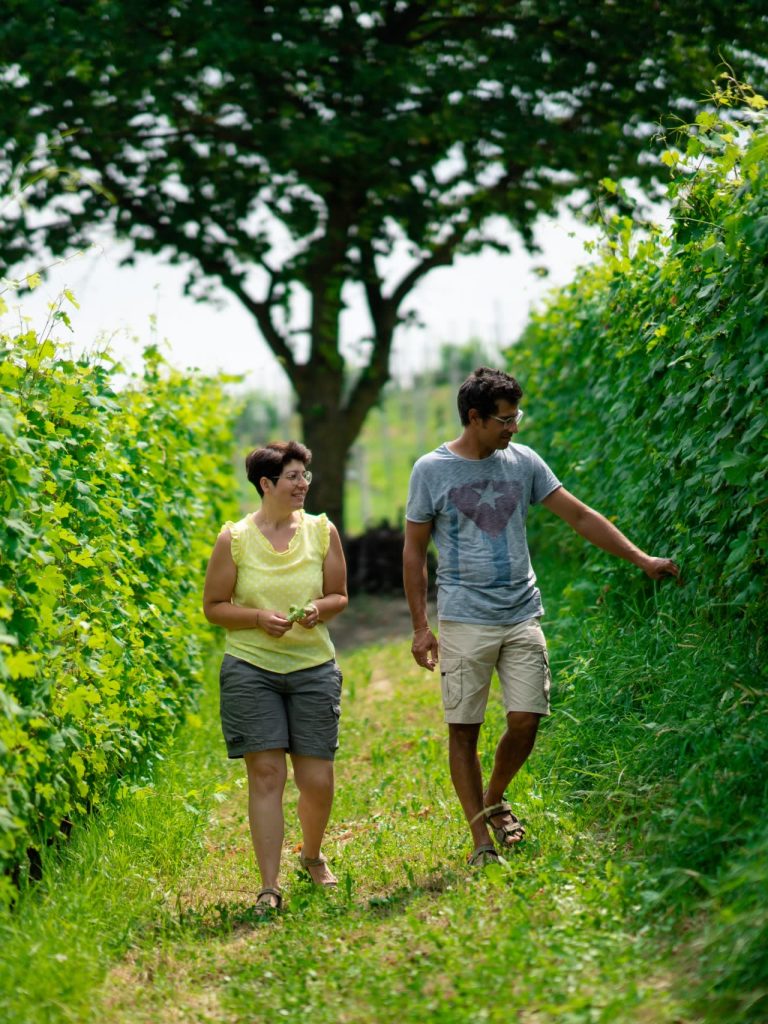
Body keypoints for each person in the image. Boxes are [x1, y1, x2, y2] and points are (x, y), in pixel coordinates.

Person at [402, 367, 679, 867]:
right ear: (475, 418)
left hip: (521, 613)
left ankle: (494, 798)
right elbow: (414, 551)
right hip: (464, 618)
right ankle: (479, 840)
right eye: (505, 420)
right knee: (463, 729)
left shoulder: (523, 462)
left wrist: (642, 559)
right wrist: (422, 626)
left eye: (516, 417)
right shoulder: (431, 470)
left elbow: (579, 515)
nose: (514, 428)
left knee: (526, 720)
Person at [203, 440, 348, 914]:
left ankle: (310, 854)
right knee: (266, 775)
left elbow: (339, 596)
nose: (303, 483)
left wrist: (316, 609)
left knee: (316, 779)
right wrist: (257, 618)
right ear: (267, 484)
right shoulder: (234, 539)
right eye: (293, 476)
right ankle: (269, 885)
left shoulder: (323, 532)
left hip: (312, 668)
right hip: (251, 669)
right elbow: (214, 608)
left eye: (305, 475)